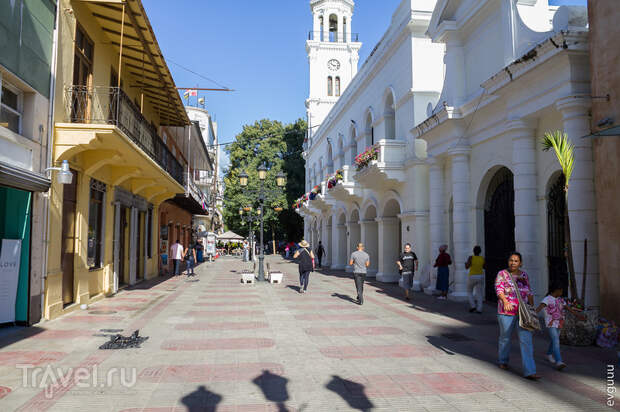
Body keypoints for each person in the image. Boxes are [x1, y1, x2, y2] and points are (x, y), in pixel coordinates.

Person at [495, 252, 539, 380]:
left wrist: (532, 309)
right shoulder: (502, 274)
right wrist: (505, 301)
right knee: (505, 338)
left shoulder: (524, 275)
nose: (513, 263)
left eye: (516, 261)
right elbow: (499, 290)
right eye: (511, 260)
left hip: (523, 313)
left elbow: (529, 292)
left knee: (526, 341)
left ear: (520, 263)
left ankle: (530, 371)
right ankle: (503, 360)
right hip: (506, 312)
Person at [536, 283, 585, 370]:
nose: (562, 292)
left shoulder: (561, 300)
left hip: (559, 323)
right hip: (551, 324)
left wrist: (578, 316)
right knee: (556, 340)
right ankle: (559, 361)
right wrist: (530, 318)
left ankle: (549, 354)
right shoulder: (547, 299)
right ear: (556, 291)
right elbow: (538, 309)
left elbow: (569, 309)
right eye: (561, 290)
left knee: (554, 340)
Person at [465, 246, 485, 313]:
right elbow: (484, 266)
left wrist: (466, 263)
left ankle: (473, 306)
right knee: (479, 293)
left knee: (469, 291)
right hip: (480, 276)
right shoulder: (482, 258)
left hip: (472, 276)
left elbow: (467, 267)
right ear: (480, 252)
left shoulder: (471, 257)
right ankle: (479, 309)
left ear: (473, 251)